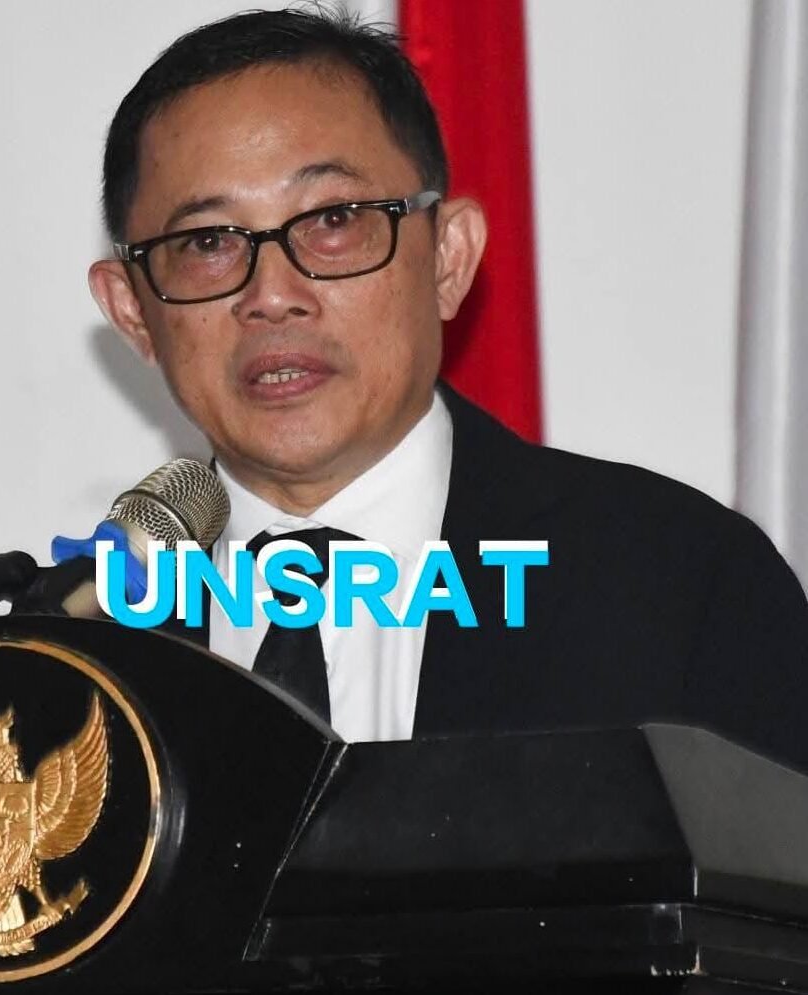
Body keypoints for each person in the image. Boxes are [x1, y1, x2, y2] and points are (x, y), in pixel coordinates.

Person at [55, 8, 808, 759]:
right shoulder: (70, 649)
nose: (272, 295)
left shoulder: (678, 585)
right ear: (132, 312)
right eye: (207, 242)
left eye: (334, 220)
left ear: (448, 258)